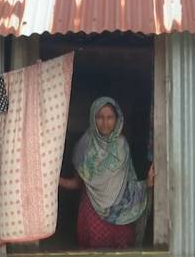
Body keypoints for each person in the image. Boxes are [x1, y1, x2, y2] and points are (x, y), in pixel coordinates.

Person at [59, 96, 155, 249]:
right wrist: (54, 180)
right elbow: (77, 183)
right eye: (100, 117)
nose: (105, 122)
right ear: (92, 118)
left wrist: (146, 184)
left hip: (120, 215)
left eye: (110, 117)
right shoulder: (84, 147)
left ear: (117, 120)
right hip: (92, 214)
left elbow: (128, 184)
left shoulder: (122, 146)